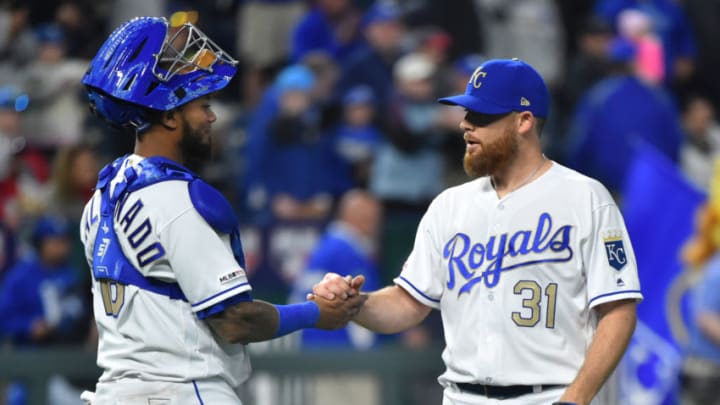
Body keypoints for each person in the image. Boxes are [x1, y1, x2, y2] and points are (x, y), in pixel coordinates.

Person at [312, 58, 643, 405]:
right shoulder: (449, 205)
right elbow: (407, 303)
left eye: (481, 116)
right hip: (461, 396)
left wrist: (576, 398)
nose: (465, 125)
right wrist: (356, 305)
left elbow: (619, 311)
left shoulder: (584, 198)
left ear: (524, 121)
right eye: (466, 113)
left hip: (549, 395)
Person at [78, 16, 365, 404]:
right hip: (180, 388)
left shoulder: (102, 195)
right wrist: (317, 314)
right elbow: (233, 319)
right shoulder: (175, 198)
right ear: (168, 114)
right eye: (203, 105)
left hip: (116, 391)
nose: (212, 116)